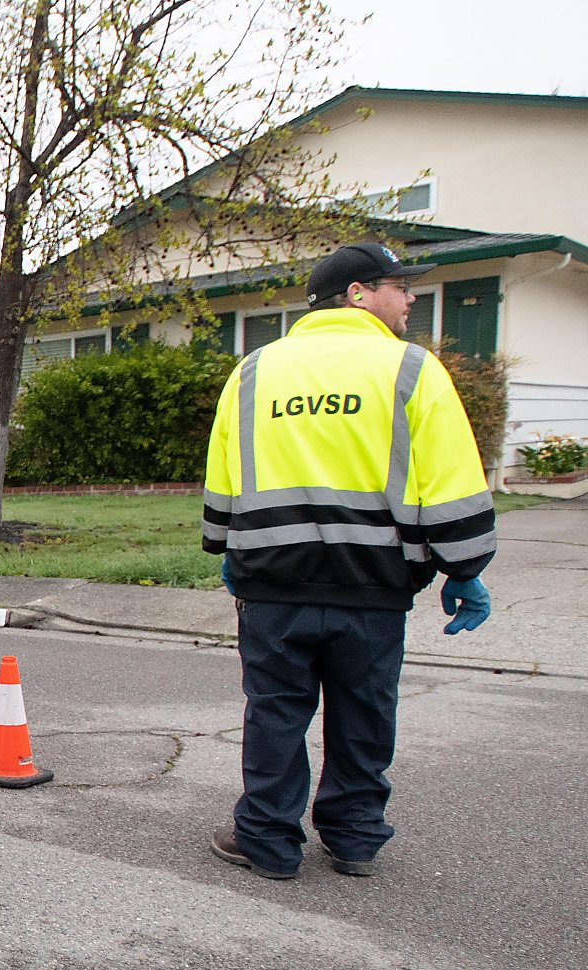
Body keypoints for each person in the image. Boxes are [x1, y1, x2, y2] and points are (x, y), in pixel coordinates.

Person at [203, 241, 497, 880]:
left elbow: (223, 478)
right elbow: (450, 479)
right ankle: (356, 836)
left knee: (276, 711)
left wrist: (226, 549)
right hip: (374, 585)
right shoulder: (412, 371)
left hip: (272, 585)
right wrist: (464, 570)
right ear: (358, 294)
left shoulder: (254, 371)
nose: (411, 297)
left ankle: (268, 841)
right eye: (400, 286)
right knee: (365, 711)